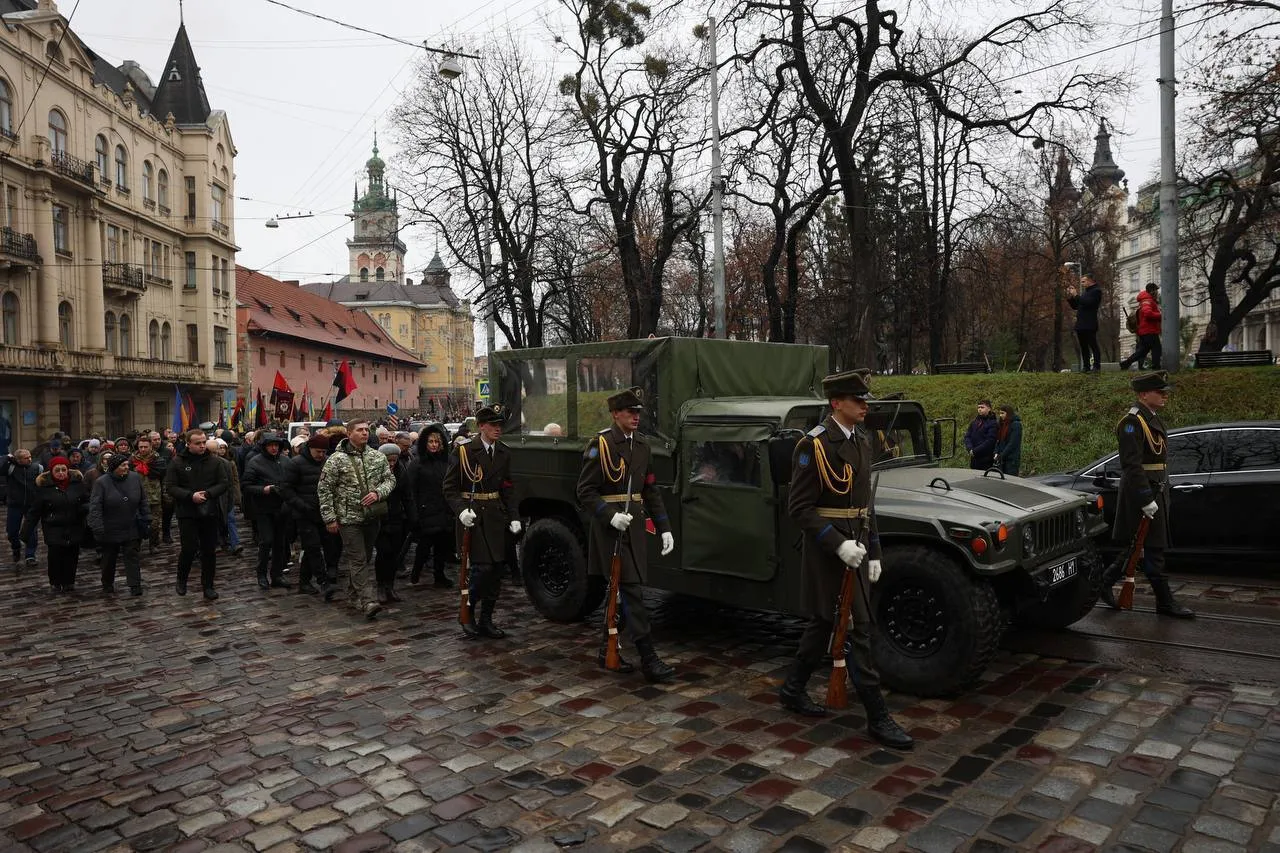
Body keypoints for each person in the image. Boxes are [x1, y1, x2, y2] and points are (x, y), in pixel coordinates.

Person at [776, 369, 914, 750]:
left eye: (865, 400)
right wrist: (838, 545)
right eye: (858, 400)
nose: (864, 406)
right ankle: (878, 717)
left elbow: (864, 506)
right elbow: (799, 508)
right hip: (828, 554)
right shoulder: (813, 446)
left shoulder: (863, 441)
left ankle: (792, 689)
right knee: (859, 631)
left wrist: (875, 551)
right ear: (837, 403)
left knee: (823, 624)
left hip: (858, 547)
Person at [576, 388, 676, 681]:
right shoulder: (601, 445)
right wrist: (609, 515)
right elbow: (584, 491)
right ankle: (649, 658)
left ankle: (607, 648)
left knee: (622, 594)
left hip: (633, 528)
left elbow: (651, 490)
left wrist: (664, 527)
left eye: (638, 412)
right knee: (631, 592)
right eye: (630, 412)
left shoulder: (643, 446)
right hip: (610, 531)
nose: (636, 417)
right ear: (615, 414)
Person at [1099, 371, 1194, 618]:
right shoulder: (1131, 423)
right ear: (1143, 395)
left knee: (1139, 547)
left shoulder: (1152, 418)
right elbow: (1131, 465)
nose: (1164, 396)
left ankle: (1105, 582)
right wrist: (1145, 498)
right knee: (1150, 549)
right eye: (1159, 392)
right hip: (1141, 494)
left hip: (1156, 490)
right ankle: (1165, 602)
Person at [444, 405, 519, 639]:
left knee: (497, 570)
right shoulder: (464, 451)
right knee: (482, 569)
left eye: (500, 425)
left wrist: (515, 516)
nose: (498, 429)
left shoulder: (504, 452)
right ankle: (467, 611)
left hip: (496, 516)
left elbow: (508, 488)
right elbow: (449, 488)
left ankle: (486, 619)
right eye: (493, 425)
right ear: (481, 426)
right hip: (472, 515)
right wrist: (460, 511)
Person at [318, 418, 395, 619]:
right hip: (348, 518)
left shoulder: (377, 457)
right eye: (359, 430)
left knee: (365, 557)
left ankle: (353, 594)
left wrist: (379, 493)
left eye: (366, 430)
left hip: (371, 516)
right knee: (358, 559)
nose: (364, 433)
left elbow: (390, 479)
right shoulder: (336, 460)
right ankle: (368, 601)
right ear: (349, 433)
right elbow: (324, 490)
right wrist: (330, 518)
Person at [164, 428, 230, 600]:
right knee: (189, 548)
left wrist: (208, 494)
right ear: (189, 444)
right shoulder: (177, 462)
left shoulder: (214, 461)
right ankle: (182, 580)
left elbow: (223, 483)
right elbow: (170, 487)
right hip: (187, 512)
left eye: (203, 442)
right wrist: (190, 496)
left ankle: (208, 585)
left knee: (209, 550)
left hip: (209, 511)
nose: (202, 446)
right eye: (198, 443)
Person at [21, 456, 89, 593]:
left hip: (74, 525)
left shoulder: (77, 485)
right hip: (53, 527)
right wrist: (26, 532)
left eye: (63, 469)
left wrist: (84, 509)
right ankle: (55, 582)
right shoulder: (44, 488)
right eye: (57, 470)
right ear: (51, 472)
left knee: (72, 556)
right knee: (55, 556)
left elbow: (86, 501)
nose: (61, 473)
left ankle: (69, 581)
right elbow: (34, 512)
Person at [280, 434, 336, 599]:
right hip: (303, 513)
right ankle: (323, 582)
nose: (321, 455)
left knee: (319, 547)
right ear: (310, 449)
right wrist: (302, 505)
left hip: (323, 512)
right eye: (318, 451)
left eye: (324, 451)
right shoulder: (295, 463)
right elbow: (286, 489)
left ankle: (304, 582)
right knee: (312, 546)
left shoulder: (327, 462)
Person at [89, 453, 149, 596]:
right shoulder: (101, 482)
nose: (126, 467)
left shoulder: (135, 478)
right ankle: (107, 584)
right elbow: (95, 506)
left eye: (127, 464)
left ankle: (135, 584)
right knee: (109, 558)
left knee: (132, 555)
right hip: (110, 526)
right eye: (123, 465)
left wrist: (146, 517)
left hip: (131, 524)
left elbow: (143, 500)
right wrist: (97, 526)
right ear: (114, 467)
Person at [242, 431, 292, 591]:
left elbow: (292, 481)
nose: (274, 448)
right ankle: (261, 574)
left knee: (280, 543)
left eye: (276, 445)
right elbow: (246, 485)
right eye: (271, 445)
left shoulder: (285, 460)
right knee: (266, 541)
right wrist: (264, 489)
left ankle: (276, 574)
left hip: (282, 508)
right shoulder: (255, 462)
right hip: (263, 508)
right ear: (264, 447)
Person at [410, 424, 454, 588]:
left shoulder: (447, 462)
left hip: (443, 509)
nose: (434, 445)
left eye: (436, 442)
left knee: (442, 546)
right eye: (430, 442)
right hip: (425, 510)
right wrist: (414, 512)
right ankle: (417, 570)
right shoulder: (417, 464)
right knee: (424, 545)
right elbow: (411, 490)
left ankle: (439, 575)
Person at [373, 443, 413, 603]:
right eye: (388, 460)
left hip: (397, 518)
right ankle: (381, 586)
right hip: (380, 519)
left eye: (394, 460)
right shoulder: (374, 472)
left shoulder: (401, 471)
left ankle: (390, 586)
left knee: (395, 554)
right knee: (383, 553)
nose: (391, 464)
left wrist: (412, 517)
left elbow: (407, 496)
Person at [2, 448, 43, 567]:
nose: (29, 459)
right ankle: (16, 547)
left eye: (30, 456)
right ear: (18, 460)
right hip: (15, 505)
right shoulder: (11, 468)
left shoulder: (37, 468)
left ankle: (30, 555)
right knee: (12, 531)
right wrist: (7, 457)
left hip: (31, 505)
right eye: (26, 458)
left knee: (31, 531)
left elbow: (43, 484)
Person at [130, 434, 168, 553]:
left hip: (154, 496)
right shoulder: (131, 461)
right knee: (136, 523)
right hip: (137, 497)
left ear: (150, 447)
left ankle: (154, 544)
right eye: (141, 447)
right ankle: (137, 544)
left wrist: (166, 496)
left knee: (155, 524)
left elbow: (164, 478)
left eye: (145, 447)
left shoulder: (158, 460)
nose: (143, 449)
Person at [209, 438, 243, 556]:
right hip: (210, 498)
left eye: (216, 451)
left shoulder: (227, 463)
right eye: (211, 452)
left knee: (230, 519)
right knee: (214, 521)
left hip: (225, 497)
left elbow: (232, 482)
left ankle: (235, 543)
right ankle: (217, 542)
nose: (215, 454)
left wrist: (236, 497)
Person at [1120, 282, 1163, 370]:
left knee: (1142, 351)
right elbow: (1147, 313)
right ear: (1152, 291)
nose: (1157, 293)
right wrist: (1161, 315)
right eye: (1156, 290)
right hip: (1149, 331)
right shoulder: (1147, 301)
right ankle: (1156, 367)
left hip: (1145, 331)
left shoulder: (1146, 300)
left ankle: (1126, 363)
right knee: (1157, 349)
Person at [1066, 274, 1103, 372]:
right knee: (1083, 346)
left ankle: (1096, 366)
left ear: (1090, 281)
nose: (1082, 284)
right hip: (1081, 323)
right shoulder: (1085, 293)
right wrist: (1071, 297)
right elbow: (1076, 306)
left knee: (1093, 345)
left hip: (1090, 323)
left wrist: (1076, 295)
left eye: (1083, 281)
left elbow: (1088, 303)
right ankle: (1086, 367)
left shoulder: (1096, 291)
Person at [962, 400, 998, 470]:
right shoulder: (975, 422)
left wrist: (975, 451)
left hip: (986, 458)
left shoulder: (993, 423)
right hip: (974, 457)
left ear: (989, 408)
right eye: (978, 407)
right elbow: (967, 436)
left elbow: (990, 441)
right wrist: (970, 449)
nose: (980, 409)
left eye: (982, 407)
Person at [993, 405, 1023, 476]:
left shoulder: (1016, 425)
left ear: (1008, 413)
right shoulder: (1002, 425)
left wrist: (1001, 455)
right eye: (1000, 413)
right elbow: (998, 440)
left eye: (1003, 413)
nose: (1000, 415)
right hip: (1002, 459)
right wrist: (996, 452)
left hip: (1011, 460)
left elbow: (1012, 443)